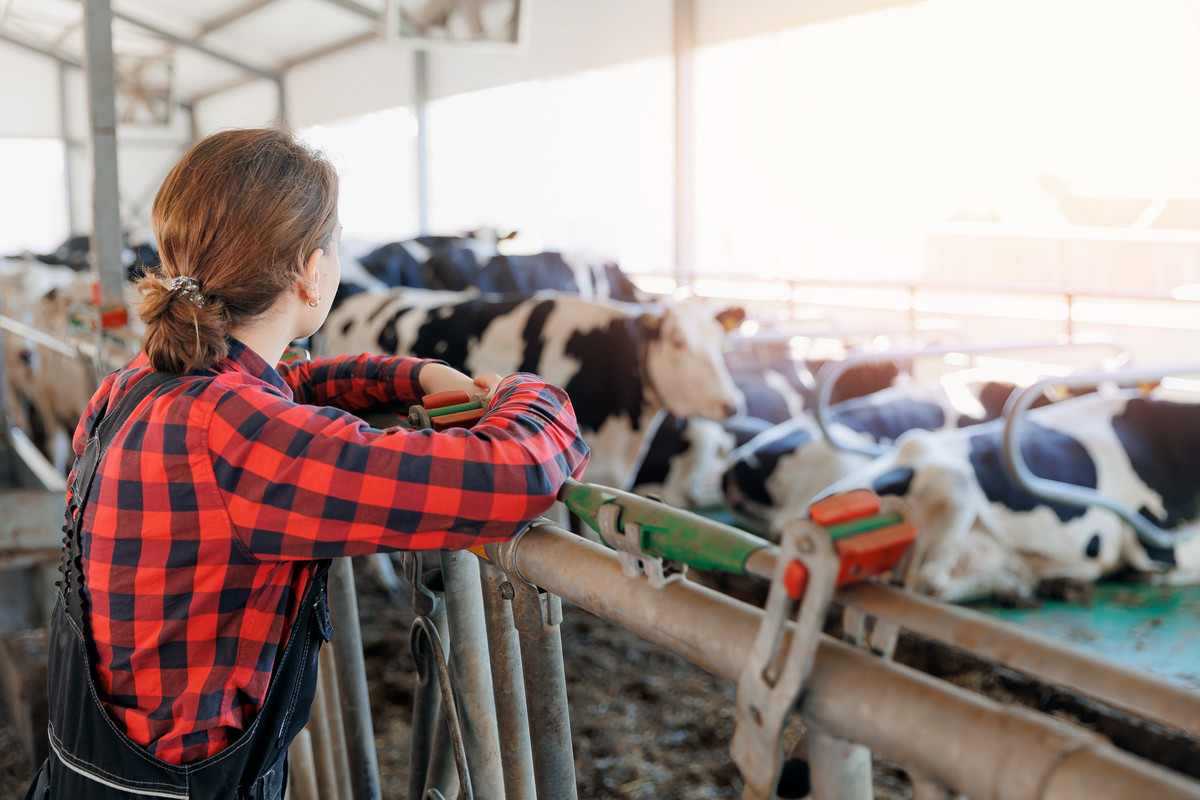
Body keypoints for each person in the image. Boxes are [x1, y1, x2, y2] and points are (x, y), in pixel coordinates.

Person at [25, 127, 590, 799]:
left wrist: (415, 377)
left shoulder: (137, 385)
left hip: (83, 774)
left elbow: (285, 386)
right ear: (310, 271)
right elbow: (514, 473)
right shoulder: (242, 437)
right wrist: (524, 392)